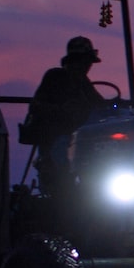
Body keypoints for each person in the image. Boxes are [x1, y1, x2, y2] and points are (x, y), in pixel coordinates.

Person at [21, 35, 110, 171]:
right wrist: (61, 109)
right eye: (84, 61)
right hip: (56, 139)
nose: (87, 66)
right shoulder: (55, 77)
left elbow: (99, 104)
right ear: (74, 61)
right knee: (63, 163)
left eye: (88, 62)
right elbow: (35, 106)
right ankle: (64, 183)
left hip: (80, 140)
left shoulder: (84, 83)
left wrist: (116, 107)